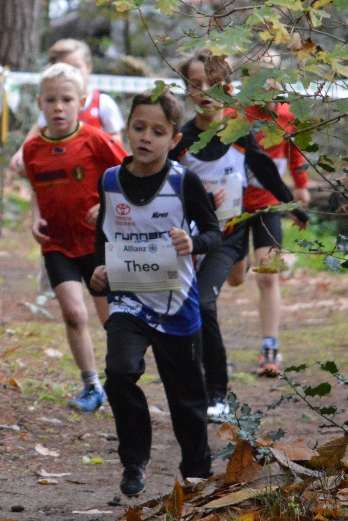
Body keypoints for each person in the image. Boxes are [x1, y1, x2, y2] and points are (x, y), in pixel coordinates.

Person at [90, 91, 223, 497]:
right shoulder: (110, 180)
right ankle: (134, 460)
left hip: (176, 303)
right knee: (120, 372)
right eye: (139, 127)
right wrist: (98, 271)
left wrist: (193, 244)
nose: (146, 137)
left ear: (173, 139)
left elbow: (215, 234)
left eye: (158, 131)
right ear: (127, 129)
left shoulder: (185, 182)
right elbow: (104, 237)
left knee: (186, 400)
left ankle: (197, 472)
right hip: (129, 300)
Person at [173, 52, 307, 419]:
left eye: (214, 85)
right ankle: (189, 386)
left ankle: (217, 393)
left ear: (230, 89)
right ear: (186, 91)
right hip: (187, 242)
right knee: (184, 311)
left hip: (226, 238)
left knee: (203, 304)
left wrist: (292, 204)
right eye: (196, 85)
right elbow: (156, 181)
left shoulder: (240, 134)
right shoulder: (181, 141)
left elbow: (264, 170)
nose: (205, 92)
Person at [22, 62, 127, 412]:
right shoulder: (32, 149)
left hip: (97, 244)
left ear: (81, 101)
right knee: (72, 314)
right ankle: (91, 386)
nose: (58, 107)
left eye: (66, 99)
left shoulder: (96, 140)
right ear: (39, 103)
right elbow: (37, 189)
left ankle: (121, 382)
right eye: (51, 100)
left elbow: (129, 174)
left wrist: (108, 207)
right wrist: (35, 217)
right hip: (56, 244)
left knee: (111, 319)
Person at [225, 62, 311, 377]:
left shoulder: (288, 115)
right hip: (234, 207)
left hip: (269, 205)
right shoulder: (235, 115)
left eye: (272, 78)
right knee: (235, 279)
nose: (266, 85)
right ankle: (240, 261)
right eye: (257, 78)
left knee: (268, 275)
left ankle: (269, 348)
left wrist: (300, 188)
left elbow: (295, 150)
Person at [8, 39, 125, 175]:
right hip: (60, 170)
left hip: (94, 172)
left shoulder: (102, 103)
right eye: (63, 67)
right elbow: (39, 128)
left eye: (76, 67)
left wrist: (103, 152)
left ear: (88, 68)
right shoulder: (53, 107)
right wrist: (22, 151)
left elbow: (115, 136)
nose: (69, 73)